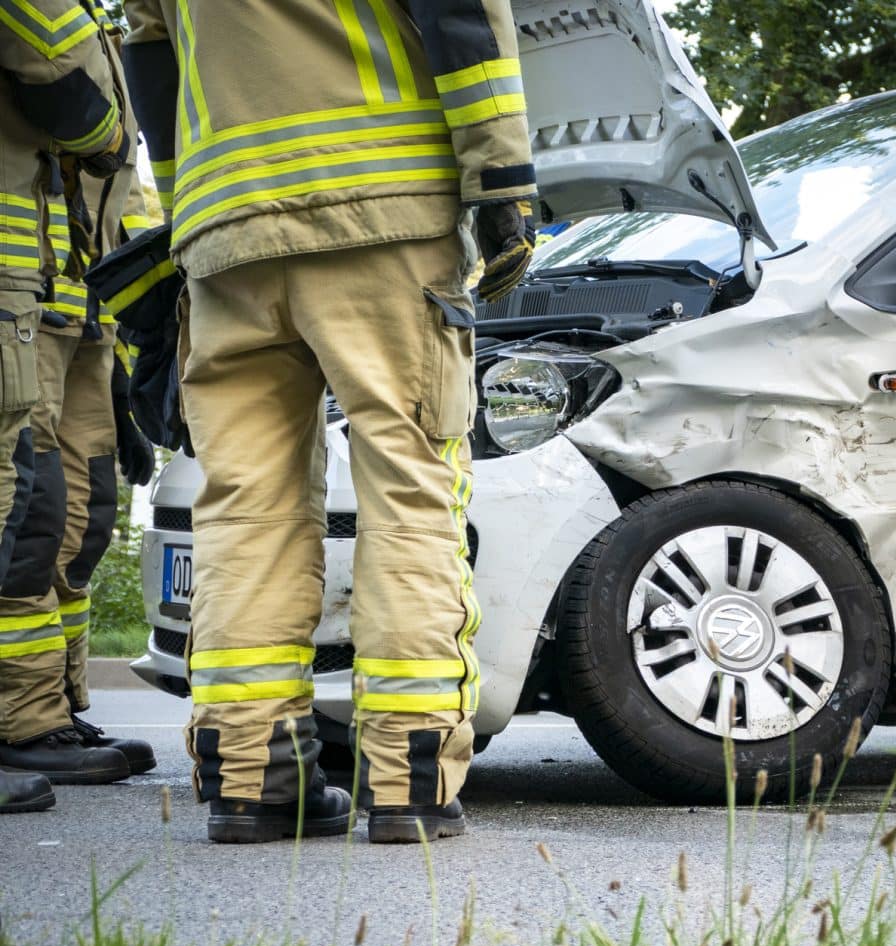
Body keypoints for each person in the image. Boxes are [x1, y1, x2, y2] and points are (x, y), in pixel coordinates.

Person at [122, 0, 537, 844]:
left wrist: (191, 214)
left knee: (244, 510)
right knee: (410, 491)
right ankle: (407, 782)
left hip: (222, 233)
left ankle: (253, 778)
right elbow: (460, 12)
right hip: (379, 210)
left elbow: (154, 53)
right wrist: (502, 181)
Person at [0, 0, 132, 805]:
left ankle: (56, 702)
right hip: (20, 292)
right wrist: (112, 124)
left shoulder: (101, 17)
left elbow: (127, 187)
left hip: (84, 304)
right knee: (23, 511)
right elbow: (68, 86)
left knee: (83, 518)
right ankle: (22, 716)